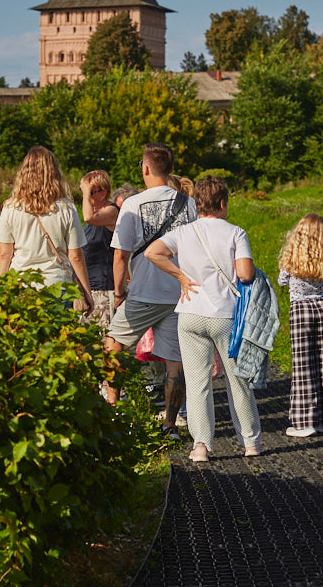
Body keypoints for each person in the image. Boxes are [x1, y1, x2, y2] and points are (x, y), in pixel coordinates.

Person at [145, 176, 261, 461]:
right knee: (238, 381)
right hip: (225, 316)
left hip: (190, 314)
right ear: (222, 203)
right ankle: (250, 443)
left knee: (197, 383)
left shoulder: (184, 233)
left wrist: (182, 277)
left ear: (198, 204)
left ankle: (200, 446)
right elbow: (245, 274)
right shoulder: (236, 233)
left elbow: (152, 252)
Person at [104, 143, 198, 441]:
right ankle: (170, 426)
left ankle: (111, 409)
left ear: (145, 168)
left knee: (113, 344)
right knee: (175, 362)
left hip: (143, 291)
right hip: (178, 292)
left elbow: (121, 255)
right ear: (170, 169)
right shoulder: (189, 204)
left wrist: (119, 293)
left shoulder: (132, 204)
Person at [0, 147, 93, 311]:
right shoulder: (66, 208)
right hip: (57, 285)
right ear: (54, 173)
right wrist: (87, 293)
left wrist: (2, 290)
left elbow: (4, 254)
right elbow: (75, 256)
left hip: (21, 285)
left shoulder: (10, 207)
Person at [277, 213, 323, 436]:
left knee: (303, 365)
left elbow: (282, 281)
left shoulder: (293, 261)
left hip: (300, 310)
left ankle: (304, 421)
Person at [79, 169, 119, 328]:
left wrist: (85, 194)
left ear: (103, 193)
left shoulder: (111, 211)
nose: (86, 197)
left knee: (102, 345)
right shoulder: (95, 214)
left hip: (104, 290)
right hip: (90, 290)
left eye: (90, 192)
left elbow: (89, 218)